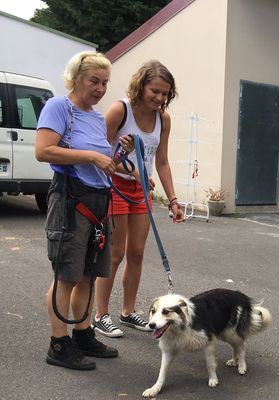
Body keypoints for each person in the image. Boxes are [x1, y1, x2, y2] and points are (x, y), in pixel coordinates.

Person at [36, 51, 121, 370]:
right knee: (66, 274)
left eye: (104, 83)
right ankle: (59, 344)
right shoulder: (60, 107)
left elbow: (100, 156)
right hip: (71, 199)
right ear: (76, 78)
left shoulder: (96, 116)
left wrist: (115, 153)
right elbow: (44, 151)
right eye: (94, 81)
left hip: (98, 200)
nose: (100, 88)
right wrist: (92, 157)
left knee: (88, 272)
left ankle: (83, 333)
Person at [93, 60, 184, 338]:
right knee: (115, 253)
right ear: (141, 85)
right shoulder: (120, 110)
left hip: (140, 191)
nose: (159, 98)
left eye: (165, 93)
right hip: (115, 187)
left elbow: (163, 161)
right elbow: (99, 154)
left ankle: (128, 311)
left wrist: (173, 199)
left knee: (137, 253)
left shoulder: (163, 119)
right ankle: (100, 315)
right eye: (154, 91)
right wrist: (131, 171)